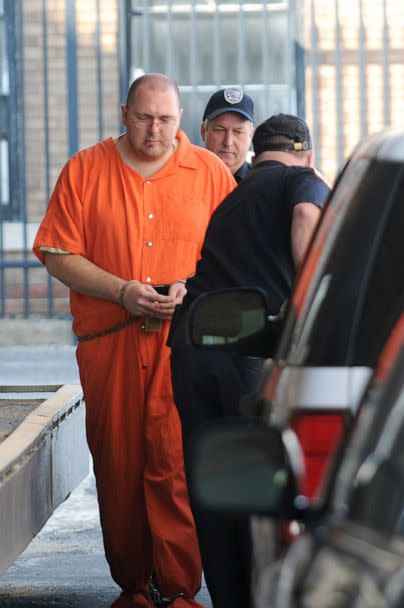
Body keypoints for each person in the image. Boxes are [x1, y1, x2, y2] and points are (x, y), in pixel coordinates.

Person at [32, 73, 236, 608]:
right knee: (118, 463)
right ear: (124, 113)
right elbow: (56, 251)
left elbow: (235, 254)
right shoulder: (85, 169)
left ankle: (179, 589)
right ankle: (133, 586)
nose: (154, 131)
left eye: (166, 120)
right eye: (144, 118)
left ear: (180, 121)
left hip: (184, 345)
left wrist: (191, 287)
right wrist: (122, 291)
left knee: (176, 463)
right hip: (111, 342)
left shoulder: (210, 173)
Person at [169, 113, 331, 608]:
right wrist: (313, 304)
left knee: (214, 485)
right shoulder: (301, 179)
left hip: (192, 350)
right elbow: (307, 217)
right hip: (248, 349)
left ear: (256, 154)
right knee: (257, 489)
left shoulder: (234, 197)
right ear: (305, 153)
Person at [201, 88, 254, 182]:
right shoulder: (186, 180)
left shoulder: (261, 184)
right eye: (220, 130)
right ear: (203, 131)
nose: (228, 142)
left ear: (251, 136)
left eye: (238, 132)